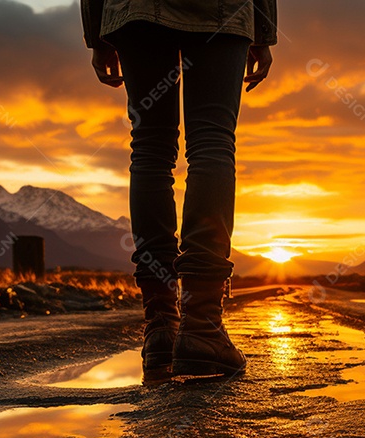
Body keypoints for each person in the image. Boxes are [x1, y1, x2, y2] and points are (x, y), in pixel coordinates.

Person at [82, 0, 277, 383]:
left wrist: (98, 32)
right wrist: (263, 28)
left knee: (151, 147)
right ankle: (201, 327)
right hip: (220, 9)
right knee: (212, 141)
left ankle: (161, 326)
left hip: (133, 10)